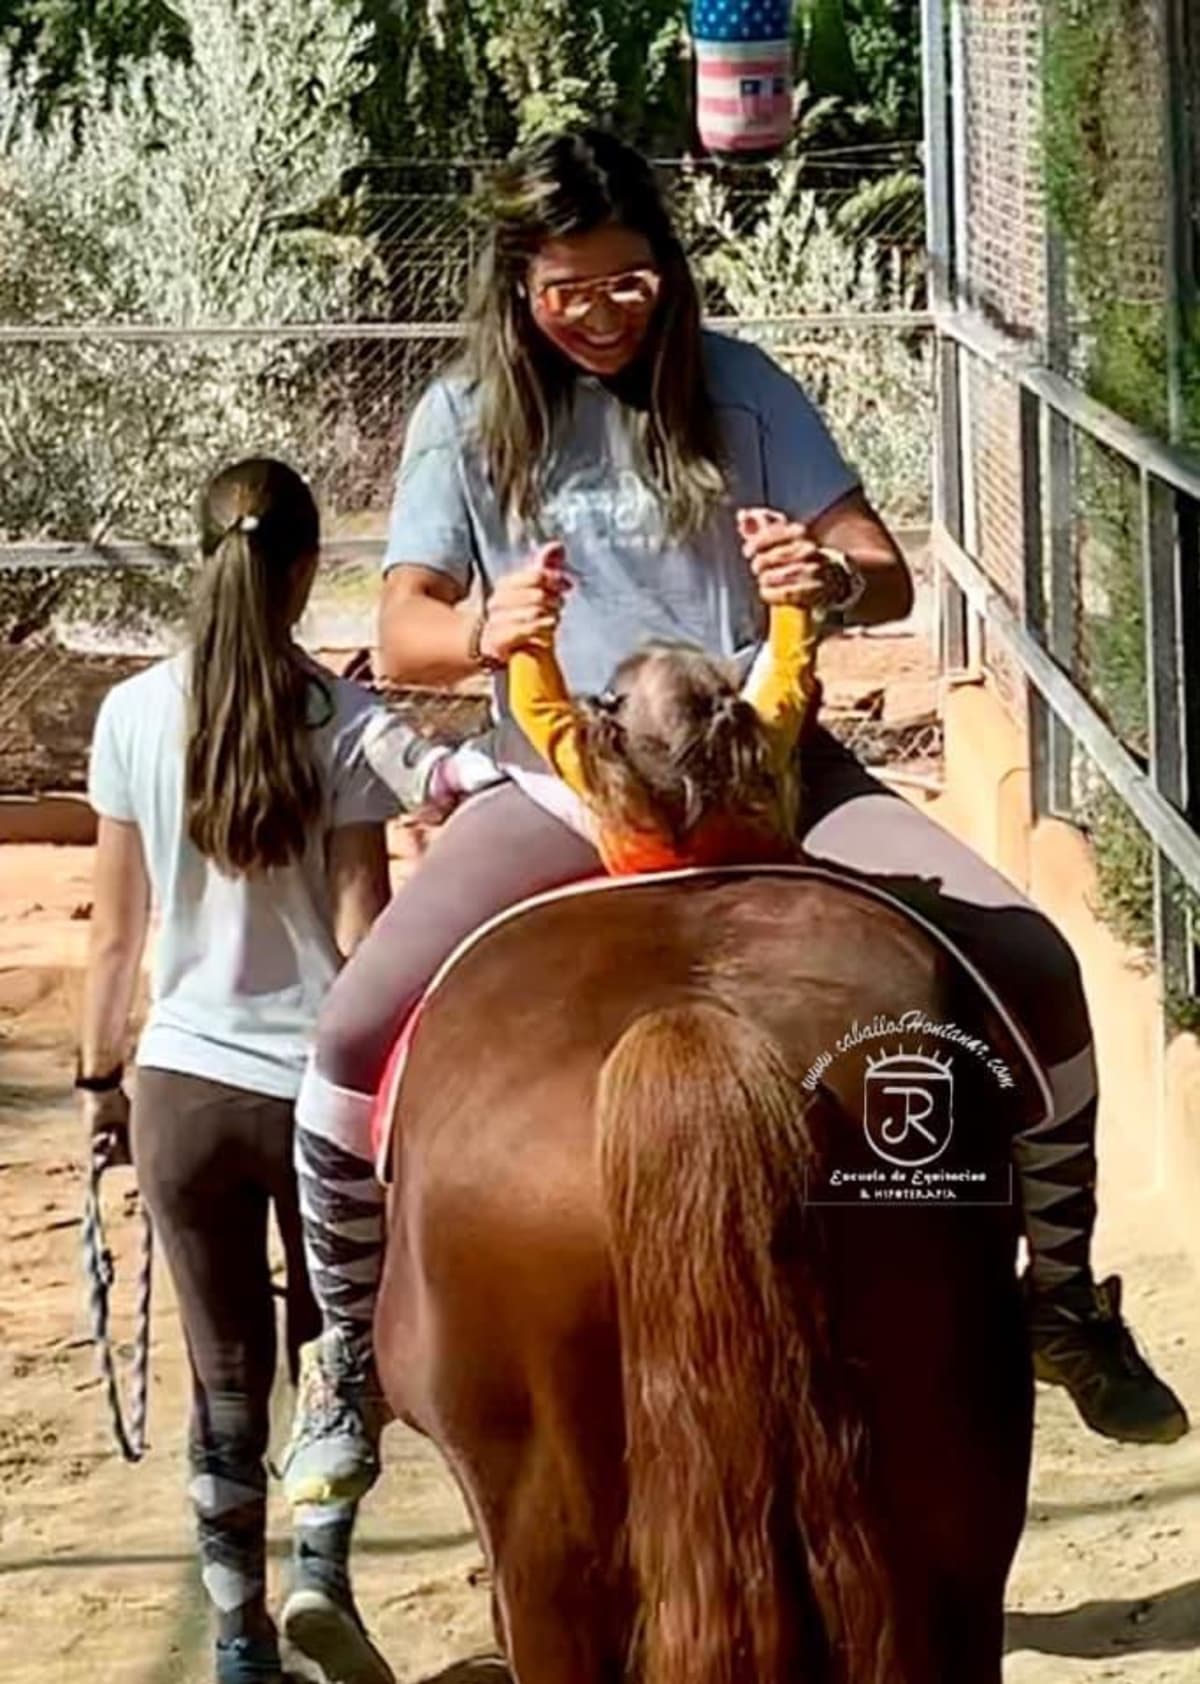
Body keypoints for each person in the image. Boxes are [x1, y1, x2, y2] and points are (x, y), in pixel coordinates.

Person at [280, 128, 1187, 1514]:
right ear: (518, 286)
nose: (598, 315)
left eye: (628, 284)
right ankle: (345, 1360)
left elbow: (881, 570)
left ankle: (1060, 1296)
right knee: (349, 1036)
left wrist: (822, 571)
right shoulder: (462, 419)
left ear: (669, 271)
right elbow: (403, 631)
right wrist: (482, 625)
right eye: (566, 290)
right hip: (569, 780)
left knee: (1037, 962)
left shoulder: (746, 390)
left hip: (765, 766)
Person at [78, 458, 453, 1684]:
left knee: (223, 1374)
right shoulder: (338, 722)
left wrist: (98, 1085)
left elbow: (116, 932)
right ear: (304, 574)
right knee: (340, 1352)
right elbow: (359, 928)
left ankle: (238, 1644)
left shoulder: (131, 715)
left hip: (182, 1089)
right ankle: (322, 1577)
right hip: (317, 1092)